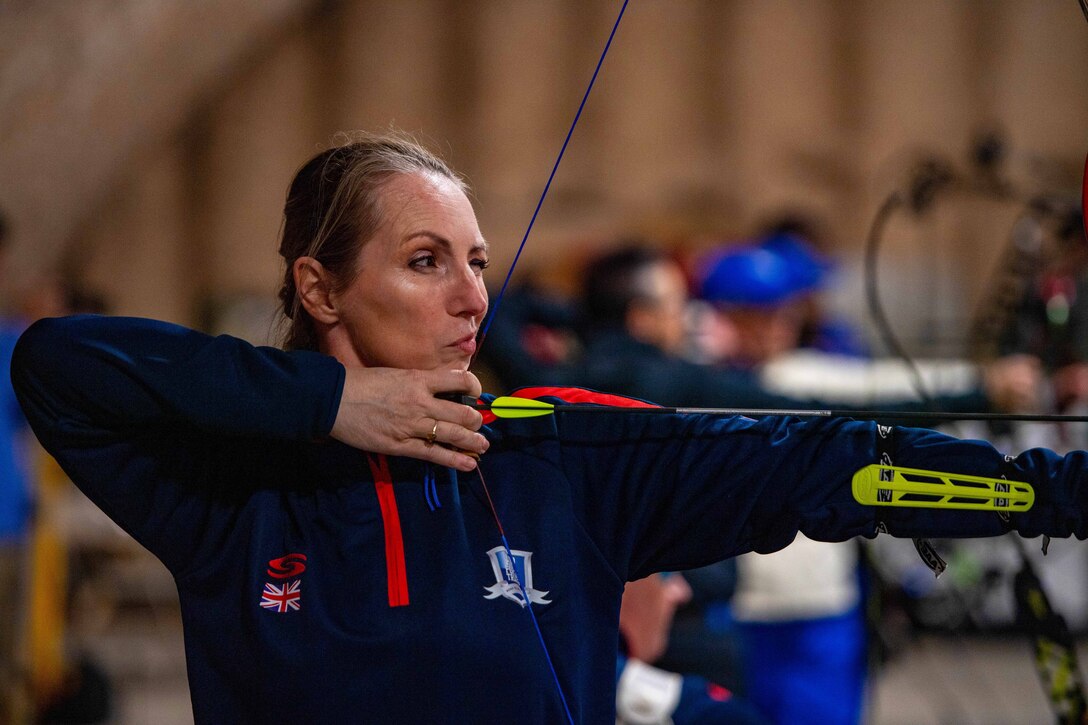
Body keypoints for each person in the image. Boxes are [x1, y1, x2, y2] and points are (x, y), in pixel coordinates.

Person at [10, 131, 1088, 724]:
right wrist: (334, 406)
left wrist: (1051, 489)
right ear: (319, 287)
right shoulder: (234, 489)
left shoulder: (553, 450)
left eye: (476, 262)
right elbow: (57, 365)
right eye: (426, 261)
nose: (473, 297)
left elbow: (831, 462)